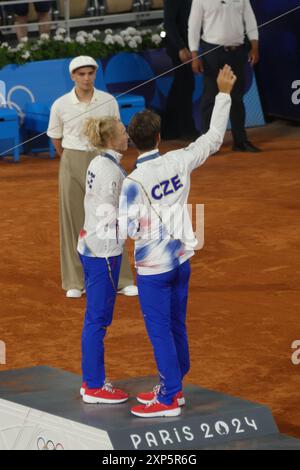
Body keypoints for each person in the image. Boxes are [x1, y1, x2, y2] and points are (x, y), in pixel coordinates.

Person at [119, 65, 236, 418]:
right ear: (158, 137)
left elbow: (126, 231)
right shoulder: (179, 160)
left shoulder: (132, 182)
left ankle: (169, 396)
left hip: (153, 269)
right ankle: (175, 386)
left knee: (160, 332)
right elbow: (214, 138)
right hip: (182, 259)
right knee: (176, 324)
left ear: (133, 139)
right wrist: (223, 93)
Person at [47, 56, 137, 298]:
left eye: (90, 73)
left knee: (112, 216)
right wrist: (71, 160)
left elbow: (117, 133)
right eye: (81, 74)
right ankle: (75, 281)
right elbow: (56, 139)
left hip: (103, 160)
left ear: (95, 74)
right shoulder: (60, 105)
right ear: (73, 77)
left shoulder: (108, 101)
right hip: (72, 160)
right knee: (73, 221)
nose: (86, 78)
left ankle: (121, 279)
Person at [78, 116, 129, 404]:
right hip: (104, 252)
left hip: (90, 245)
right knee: (97, 320)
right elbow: (113, 214)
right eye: (122, 132)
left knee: (95, 318)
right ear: (111, 139)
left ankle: (93, 380)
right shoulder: (111, 171)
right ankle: (94, 386)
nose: (127, 135)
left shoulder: (99, 162)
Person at [188, 0, 261, 153]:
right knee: (210, 97)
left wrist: (254, 46)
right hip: (212, 52)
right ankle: (207, 144)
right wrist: (194, 54)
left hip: (237, 52)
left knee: (237, 98)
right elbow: (193, 26)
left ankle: (240, 141)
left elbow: (250, 20)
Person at [162, 0, 198, 140]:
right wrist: (181, 47)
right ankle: (186, 129)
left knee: (181, 86)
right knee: (184, 86)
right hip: (180, 48)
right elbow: (169, 23)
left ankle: (170, 129)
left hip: (189, 45)